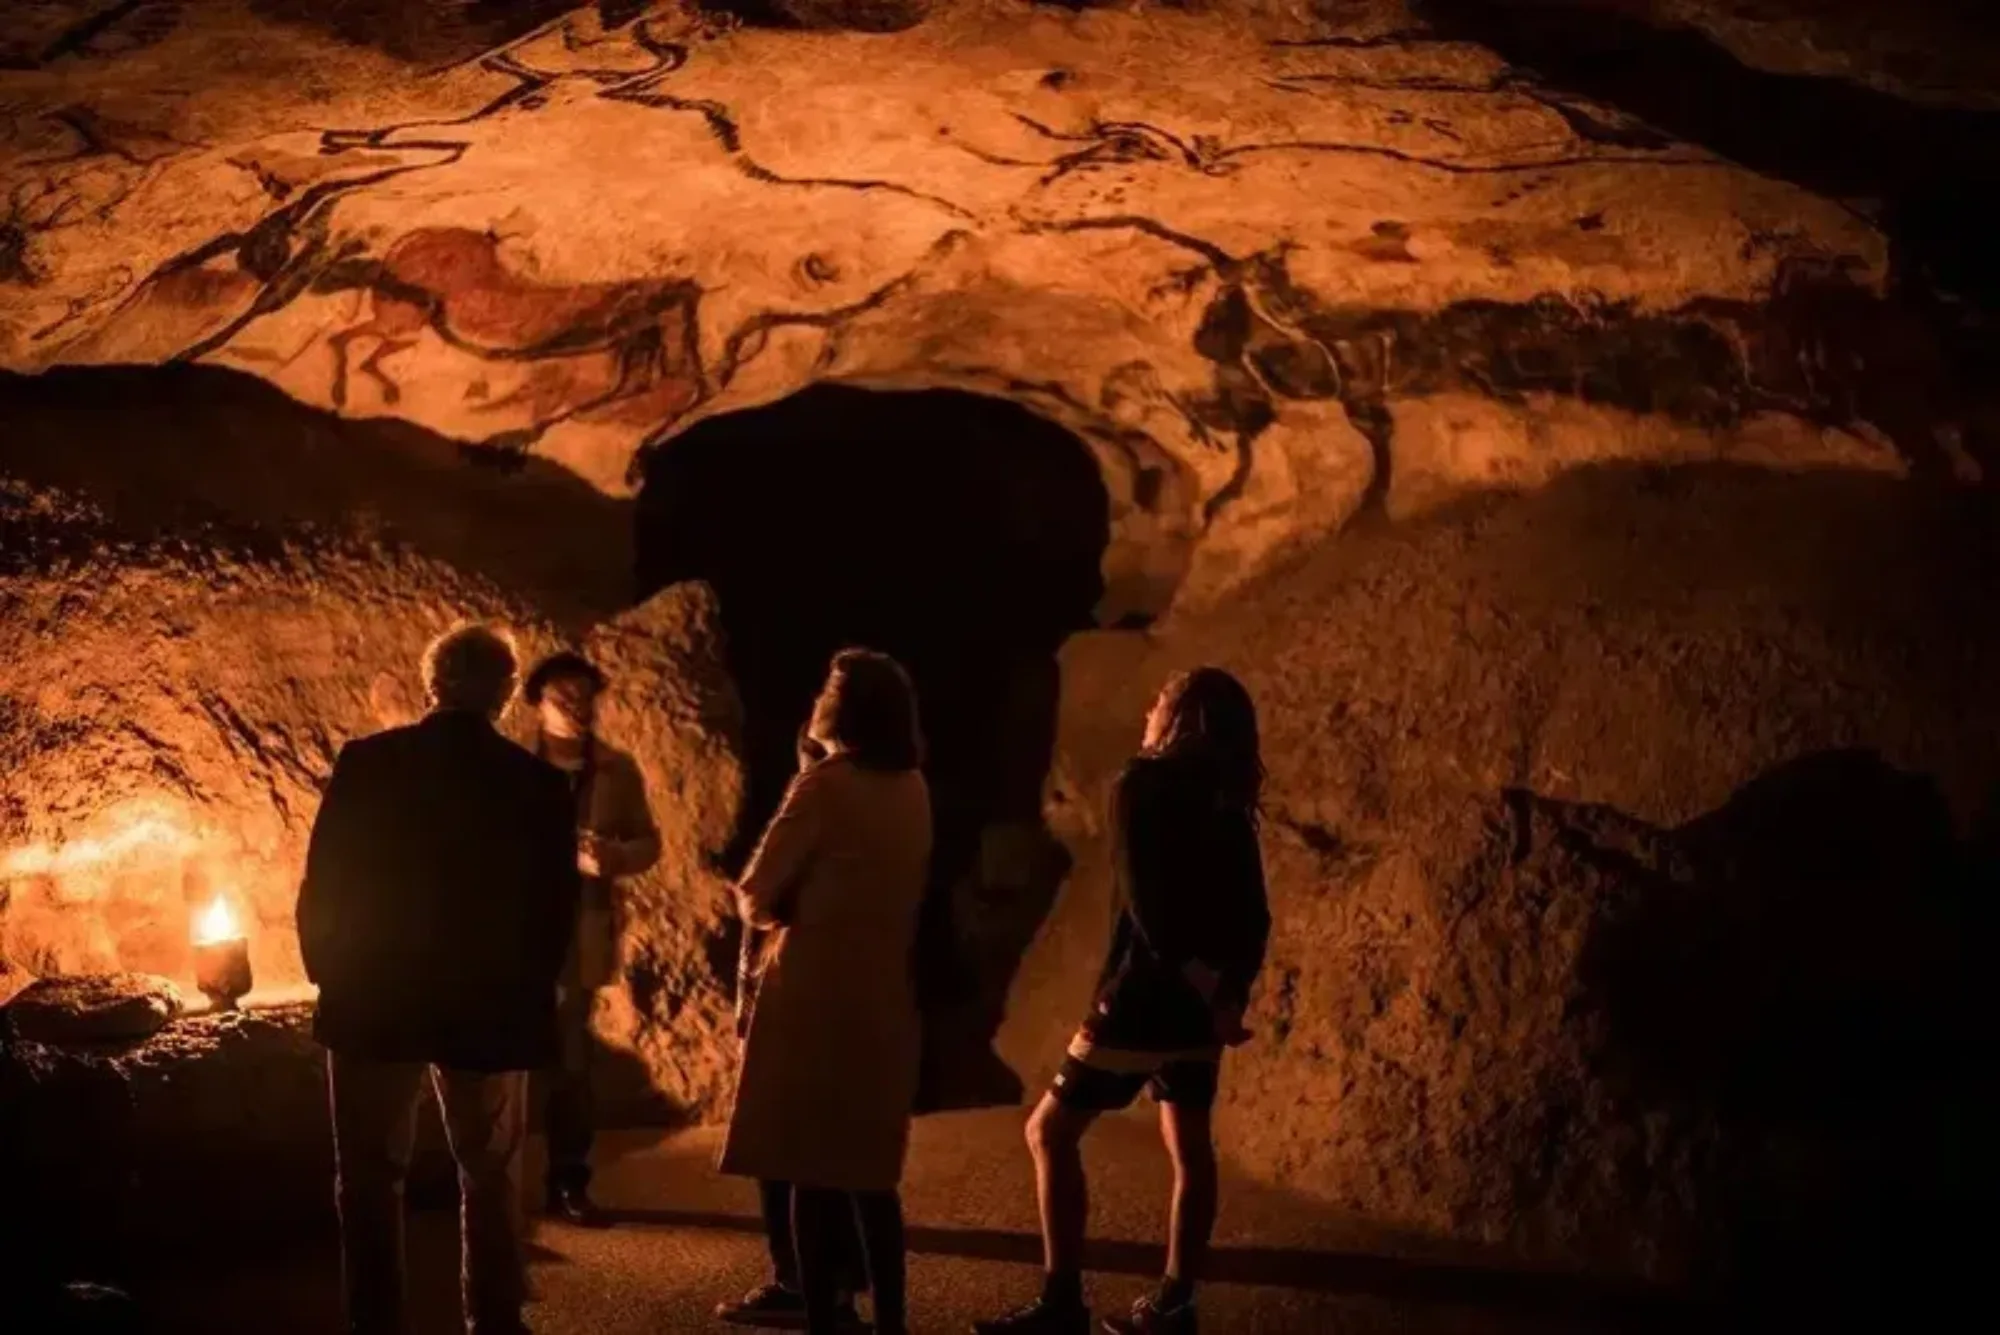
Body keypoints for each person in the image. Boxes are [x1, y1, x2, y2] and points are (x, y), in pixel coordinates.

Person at [297, 623, 580, 1335]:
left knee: (367, 1175)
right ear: (507, 693)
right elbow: (553, 909)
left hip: (374, 997)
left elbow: (323, 882)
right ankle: (493, 1319)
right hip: (487, 1005)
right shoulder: (538, 784)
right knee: (488, 1172)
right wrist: (530, 989)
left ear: (432, 683)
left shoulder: (367, 763)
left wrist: (329, 971)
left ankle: (375, 1321)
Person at [975, 668, 1271, 1335]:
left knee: (1047, 1131)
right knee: (1191, 1150)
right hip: (1199, 1017)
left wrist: (1200, 985)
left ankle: (1062, 1302)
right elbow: (1254, 917)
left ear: (1182, 719)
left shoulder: (1140, 784)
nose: (1149, 708)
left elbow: (1153, 916)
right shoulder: (1227, 798)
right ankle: (1175, 1303)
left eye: (1161, 701)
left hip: (1140, 999)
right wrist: (1227, 995)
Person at [717, 649, 934, 1335]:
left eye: (827, 688)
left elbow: (754, 894)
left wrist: (783, 908)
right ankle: (891, 1321)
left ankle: (820, 1314)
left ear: (843, 708)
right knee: (869, 1172)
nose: (817, 696)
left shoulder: (825, 785)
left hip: (812, 990)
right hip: (881, 992)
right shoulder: (913, 786)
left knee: (807, 1164)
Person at [717, 727, 872, 1333]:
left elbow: (758, 897)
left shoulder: (823, 800)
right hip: (849, 994)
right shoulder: (891, 797)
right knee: (832, 1148)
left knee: (786, 1145)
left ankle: (804, 1284)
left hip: (800, 994)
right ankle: (842, 1282)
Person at [521, 650, 662, 1227]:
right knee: (506, 1063)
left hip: (579, 936)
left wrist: (613, 858)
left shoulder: (615, 770)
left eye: (585, 696)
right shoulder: (514, 766)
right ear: (538, 703)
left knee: (571, 1064)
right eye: (563, 697)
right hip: (516, 933)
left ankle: (568, 1183)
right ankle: (487, 1186)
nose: (577, 708)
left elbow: (649, 842)